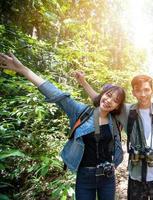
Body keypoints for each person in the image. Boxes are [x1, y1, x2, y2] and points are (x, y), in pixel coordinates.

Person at [0, 52, 126, 200]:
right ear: (102, 94)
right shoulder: (81, 112)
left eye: (115, 100)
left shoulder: (115, 121)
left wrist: (85, 83)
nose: (109, 100)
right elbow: (56, 93)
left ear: (118, 106)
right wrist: (24, 70)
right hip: (85, 176)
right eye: (108, 95)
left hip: (107, 177)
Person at [75, 47, 153, 200]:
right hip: (136, 177)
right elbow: (100, 99)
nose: (143, 94)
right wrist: (83, 82)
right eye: (138, 90)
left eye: (146, 90)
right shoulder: (127, 111)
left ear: (152, 90)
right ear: (134, 92)